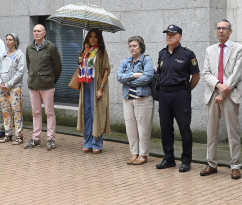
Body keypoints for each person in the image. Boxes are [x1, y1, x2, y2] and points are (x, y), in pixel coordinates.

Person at [201, 19, 242, 179]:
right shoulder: (210, 50)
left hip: (231, 93)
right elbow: (205, 73)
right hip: (213, 93)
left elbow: (236, 73)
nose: (221, 31)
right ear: (216, 31)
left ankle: (235, 166)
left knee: (232, 132)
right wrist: (219, 86)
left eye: (224, 28)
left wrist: (224, 90)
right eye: (219, 28)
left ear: (230, 31)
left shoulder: (239, 48)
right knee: (211, 132)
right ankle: (211, 164)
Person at [155, 24, 200, 172]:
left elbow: (196, 76)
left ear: (179, 37)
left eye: (172, 34)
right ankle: (169, 159)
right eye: (167, 34)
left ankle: (186, 160)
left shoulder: (188, 54)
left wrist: (186, 90)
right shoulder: (162, 53)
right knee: (165, 128)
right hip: (164, 94)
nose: (169, 36)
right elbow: (159, 73)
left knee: (184, 128)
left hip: (180, 94)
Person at [117, 36, 154, 164]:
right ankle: (134, 153)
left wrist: (129, 82)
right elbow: (118, 76)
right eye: (130, 46)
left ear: (141, 47)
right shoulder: (126, 61)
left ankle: (143, 155)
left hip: (143, 98)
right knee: (131, 128)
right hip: (128, 99)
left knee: (143, 128)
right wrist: (134, 75)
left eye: (135, 46)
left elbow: (148, 76)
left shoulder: (147, 60)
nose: (132, 48)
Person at [24, 24, 62, 150]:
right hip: (33, 85)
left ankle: (51, 139)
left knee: (49, 112)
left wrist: (51, 80)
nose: (36, 33)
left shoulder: (51, 47)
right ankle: (36, 138)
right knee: (36, 113)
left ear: (44, 33)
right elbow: (29, 65)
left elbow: (58, 67)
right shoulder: (29, 47)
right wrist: (33, 77)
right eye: (34, 31)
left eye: (39, 31)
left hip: (47, 85)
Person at [77, 29, 111, 154]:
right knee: (86, 113)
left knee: (95, 113)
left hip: (96, 84)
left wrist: (101, 88)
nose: (92, 39)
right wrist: (79, 61)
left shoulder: (101, 52)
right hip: (85, 84)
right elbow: (81, 69)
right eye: (90, 36)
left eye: (95, 37)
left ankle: (97, 143)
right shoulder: (84, 51)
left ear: (99, 39)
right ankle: (87, 142)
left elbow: (106, 71)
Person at [0, 33, 25, 145]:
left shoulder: (20, 55)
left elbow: (20, 72)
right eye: (6, 39)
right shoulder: (3, 55)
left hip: (14, 88)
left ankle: (19, 135)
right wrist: (0, 83)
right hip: (2, 88)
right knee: (6, 112)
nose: (7, 42)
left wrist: (8, 84)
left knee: (16, 111)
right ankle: (8, 134)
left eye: (10, 40)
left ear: (16, 42)